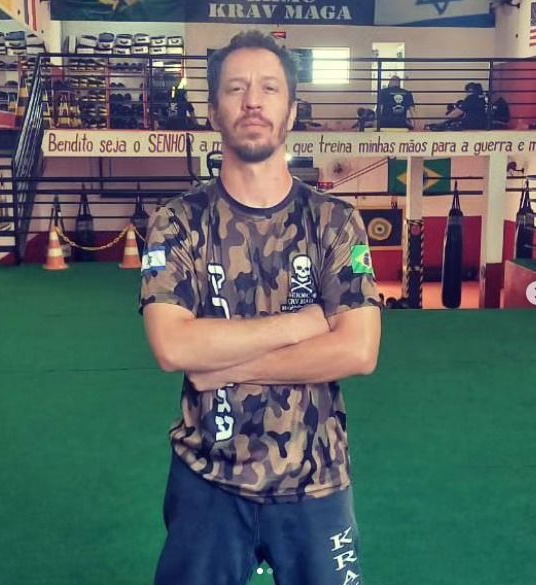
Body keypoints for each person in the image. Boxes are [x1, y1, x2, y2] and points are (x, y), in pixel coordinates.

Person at [140, 30, 382, 585]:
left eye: (269, 88)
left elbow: (358, 350)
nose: (253, 101)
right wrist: (303, 323)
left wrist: (222, 366)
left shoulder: (335, 221)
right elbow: (173, 345)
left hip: (316, 479)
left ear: (291, 111)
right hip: (207, 477)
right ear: (213, 111)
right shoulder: (178, 222)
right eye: (236, 88)